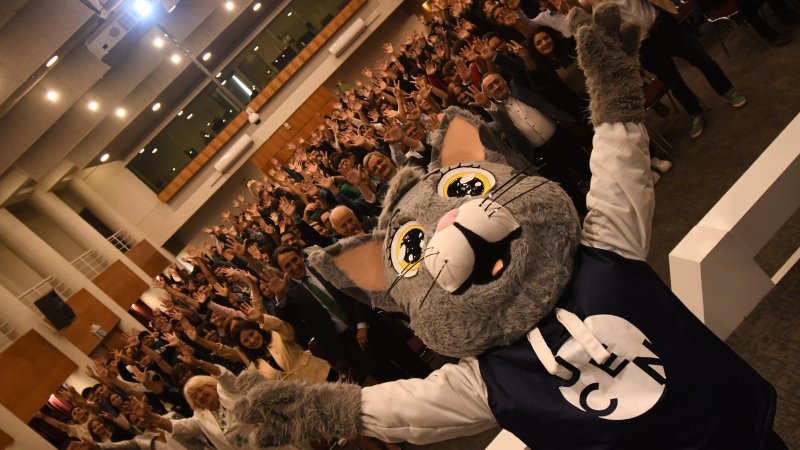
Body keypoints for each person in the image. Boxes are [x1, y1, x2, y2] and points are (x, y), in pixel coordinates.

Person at [271, 245, 432, 382]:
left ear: (301, 256)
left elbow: (356, 292)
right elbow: (290, 321)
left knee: (411, 362)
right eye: (287, 266)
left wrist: (362, 325)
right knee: (390, 379)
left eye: (295, 260)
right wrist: (280, 296)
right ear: (282, 271)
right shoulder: (288, 294)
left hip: (369, 324)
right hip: (348, 344)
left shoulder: (324, 267)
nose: (294, 266)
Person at [473, 70, 591, 214]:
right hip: (542, 155)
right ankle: (589, 216)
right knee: (570, 190)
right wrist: (486, 104)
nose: (496, 87)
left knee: (587, 168)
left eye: (497, 81)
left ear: (504, 80)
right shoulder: (497, 114)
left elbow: (515, 68)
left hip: (561, 139)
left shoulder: (521, 88)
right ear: (488, 95)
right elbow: (493, 120)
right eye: (490, 87)